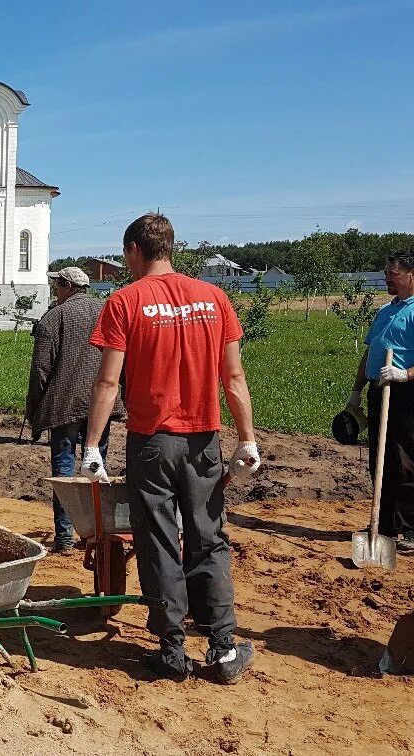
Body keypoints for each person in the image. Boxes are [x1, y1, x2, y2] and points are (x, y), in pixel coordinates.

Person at [79, 213, 262, 684]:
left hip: (151, 444)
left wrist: (93, 446)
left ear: (135, 250)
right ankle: (222, 649)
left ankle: (172, 652)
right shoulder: (214, 298)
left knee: (157, 540)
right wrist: (247, 439)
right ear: (172, 248)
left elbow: (107, 381)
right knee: (208, 537)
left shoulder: (125, 302)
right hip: (204, 442)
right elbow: (234, 377)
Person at [344, 253, 414, 550]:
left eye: (392, 273)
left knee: (409, 460)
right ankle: (384, 524)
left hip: (410, 393)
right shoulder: (386, 310)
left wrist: (406, 373)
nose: (387, 277)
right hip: (380, 390)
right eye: (386, 272)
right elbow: (369, 354)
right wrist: (356, 391)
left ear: (413, 274)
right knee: (381, 459)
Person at [25, 266, 120, 553]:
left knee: (64, 473)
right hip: (102, 406)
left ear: (67, 286)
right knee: (96, 468)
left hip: (64, 405)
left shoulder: (53, 318)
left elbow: (40, 370)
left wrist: (34, 411)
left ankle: (65, 537)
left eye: (57, 284)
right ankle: (96, 533)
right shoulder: (107, 311)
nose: (55, 289)